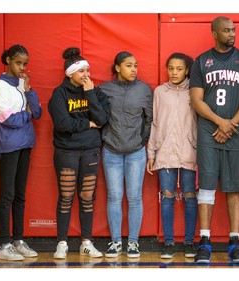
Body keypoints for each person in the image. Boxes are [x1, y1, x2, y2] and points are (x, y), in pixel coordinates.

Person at [189, 16, 239, 264]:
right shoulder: (200, 62)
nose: (232, 34)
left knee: (233, 188)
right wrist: (220, 122)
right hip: (209, 131)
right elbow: (196, 100)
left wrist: (230, 124)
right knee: (206, 186)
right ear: (214, 33)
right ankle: (205, 242)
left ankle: (234, 242)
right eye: (227, 30)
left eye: (234, 30)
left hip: (235, 132)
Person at [48, 47, 109, 259]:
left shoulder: (95, 91)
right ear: (70, 73)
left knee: (87, 197)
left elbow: (102, 120)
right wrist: (87, 123)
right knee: (65, 197)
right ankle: (62, 243)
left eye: (88, 70)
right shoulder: (59, 94)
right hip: (66, 152)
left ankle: (86, 242)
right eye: (81, 71)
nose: (86, 75)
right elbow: (62, 123)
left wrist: (90, 94)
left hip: (91, 151)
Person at [0, 44, 42, 261]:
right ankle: (4, 244)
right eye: (18, 62)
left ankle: (18, 240)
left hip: (25, 144)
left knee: (20, 196)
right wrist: (26, 114)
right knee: (7, 195)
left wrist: (29, 90)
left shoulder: (22, 83)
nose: (22, 67)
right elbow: (8, 119)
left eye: (25, 63)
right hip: (8, 146)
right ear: (8, 60)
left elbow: (37, 111)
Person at [99, 51, 153, 258]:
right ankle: (115, 242)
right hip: (111, 150)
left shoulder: (144, 90)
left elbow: (149, 119)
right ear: (117, 68)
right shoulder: (104, 89)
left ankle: (133, 242)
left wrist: (141, 140)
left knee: (134, 197)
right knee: (113, 196)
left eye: (136, 65)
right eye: (129, 65)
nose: (134, 69)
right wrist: (105, 136)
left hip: (136, 152)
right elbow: (99, 116)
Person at [146, 53, 198, 259]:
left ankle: (189, 243)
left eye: (179, 68)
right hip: (165, 150)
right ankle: (168, 242)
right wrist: (151, 152)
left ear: (186, 70)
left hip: (189, 150)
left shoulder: (195, 91)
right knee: (167, 196)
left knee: (190, 196)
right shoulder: (160, 92)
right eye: (171, 68)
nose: (174, 72)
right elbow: (155, 122)